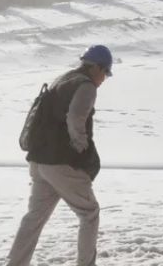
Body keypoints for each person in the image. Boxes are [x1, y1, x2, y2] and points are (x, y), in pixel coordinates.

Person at [6, 45, 113, 266]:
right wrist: (81, 148)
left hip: (39, 160)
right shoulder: (86, 86)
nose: (105, 79)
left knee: (34, 218)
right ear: (98, 68)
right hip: (60, 162)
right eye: (106, 73)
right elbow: (75, 118)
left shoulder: (63, 79)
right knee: (90, 213)